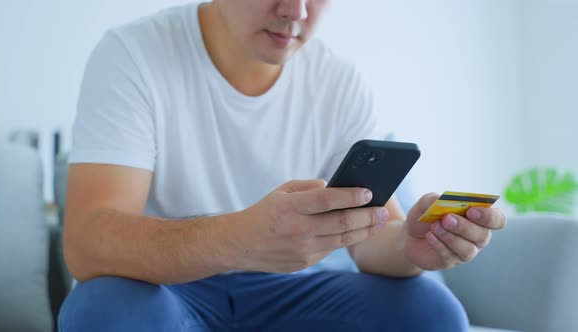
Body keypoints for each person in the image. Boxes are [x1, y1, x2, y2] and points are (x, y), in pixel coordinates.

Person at [59, 1, 506, 331]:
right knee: (103, 311)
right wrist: (241, 239)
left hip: (292, 289)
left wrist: (411, 247)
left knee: (433, 312)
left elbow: (374, 239)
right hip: (168, 287)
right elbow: (87, 243)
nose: (295, 10)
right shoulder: (134, 55)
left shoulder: (339, 82)